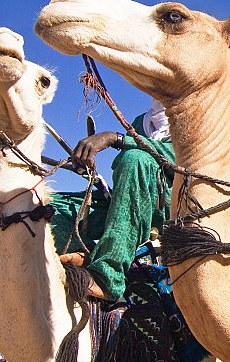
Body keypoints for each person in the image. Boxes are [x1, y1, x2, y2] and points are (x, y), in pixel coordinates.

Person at [49, 98, 176, 301]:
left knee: (135, 159)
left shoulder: (196, 117)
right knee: (49, 206)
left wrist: (115, 138)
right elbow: (120, 165)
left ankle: (108, 278)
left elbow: (178, 159)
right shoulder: (141, 122)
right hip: (126, 198)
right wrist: (87, 164)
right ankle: (86, 255)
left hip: (171, 207)